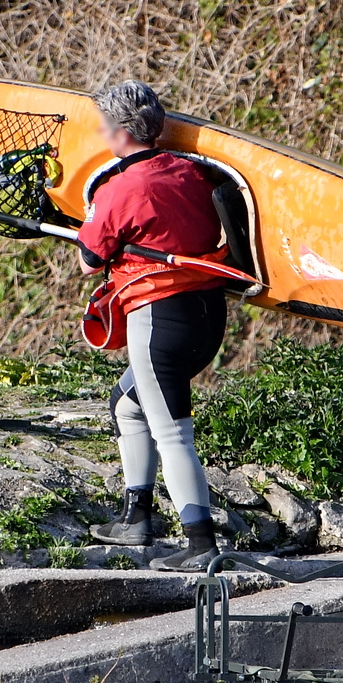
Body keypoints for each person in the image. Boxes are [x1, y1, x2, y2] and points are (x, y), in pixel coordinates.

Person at [78, 80, 228, 572]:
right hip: (206, 320)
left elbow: (88, 259)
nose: (100, 132)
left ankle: (201, 543)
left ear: (122, 134)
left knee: (173, 433)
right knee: (126, 404)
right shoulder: (192, 173)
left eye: (104, 125)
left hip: (159, 321)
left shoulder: (121, 186)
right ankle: (136, 517)